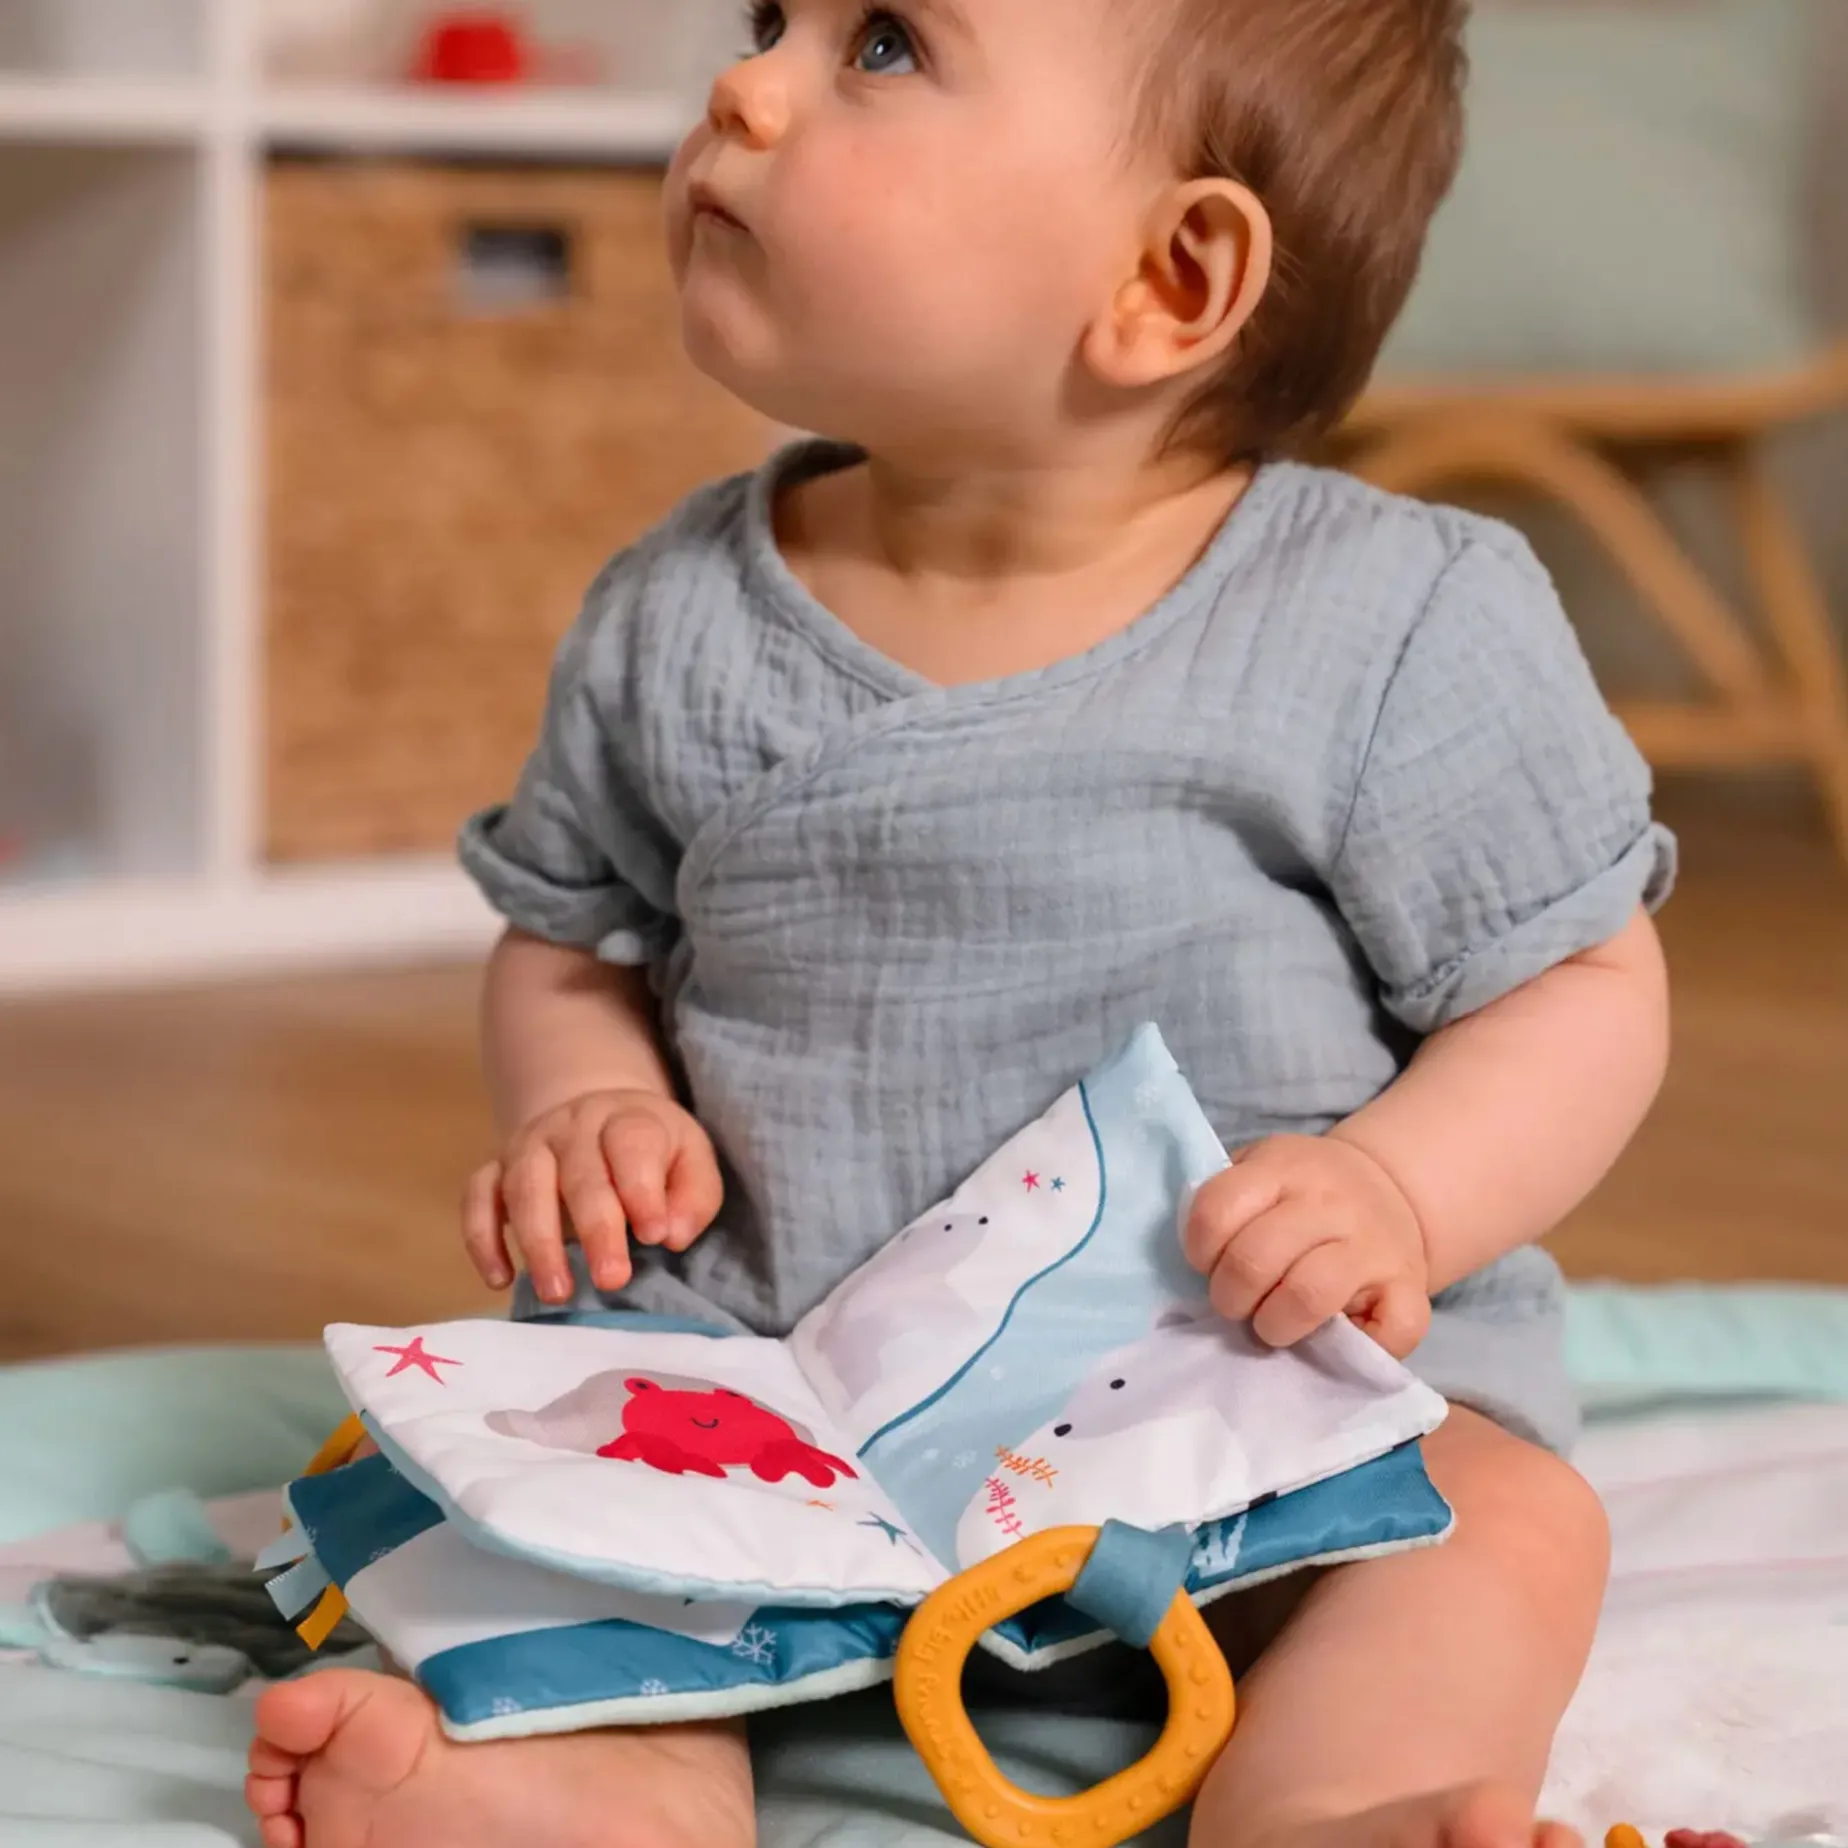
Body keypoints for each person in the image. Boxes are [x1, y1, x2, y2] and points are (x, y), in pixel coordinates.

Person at [246, 1, 1675, 1843]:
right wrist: (585, 1099)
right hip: (766, 1412)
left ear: (1169, 278)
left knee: (1502, 1527)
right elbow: (571, 939)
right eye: (776, 22)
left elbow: (1576, 983)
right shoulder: (674, 615)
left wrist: (1401, 1190)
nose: (745, 83)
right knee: (557, 1548)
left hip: (1241, 1396)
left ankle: (1338, 1809)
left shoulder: (1397, 617)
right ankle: (600, 1798)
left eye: (884, 47)